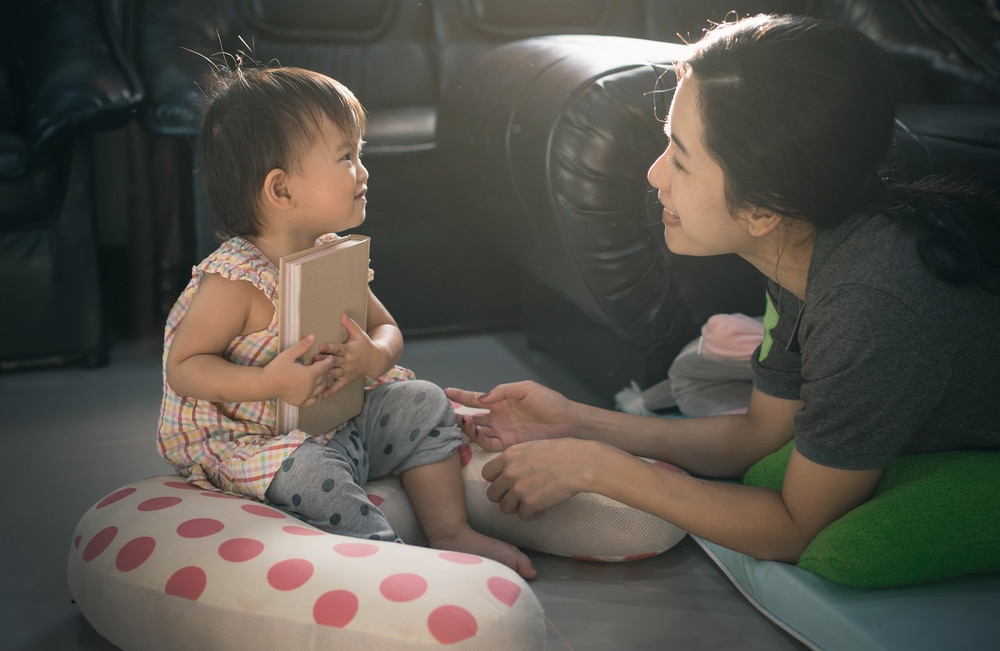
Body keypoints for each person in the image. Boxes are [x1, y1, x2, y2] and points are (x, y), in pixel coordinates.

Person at [447, 13, 1000, 564]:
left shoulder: (871, 302)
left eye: (682, 162)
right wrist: (576, 420)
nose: (654, 175)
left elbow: (795, 528)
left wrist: (596, 466)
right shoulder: (802, 245)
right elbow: (761, 431)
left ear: (763, 206)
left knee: (843, 554)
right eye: (667, 144)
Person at [156, 62, 535, 579]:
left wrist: (374, 355)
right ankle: (383, 561)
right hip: (260, 442)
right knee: (313, 472)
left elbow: (388, 330)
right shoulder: (235, 280)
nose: (364, 171)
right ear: (282, 191)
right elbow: (185, 366)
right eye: (347, 157)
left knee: (423, 399)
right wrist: (268, 381)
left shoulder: (332, 255)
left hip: (341, 419)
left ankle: (451, 530)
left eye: (360, 154)